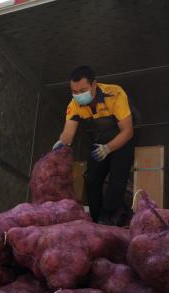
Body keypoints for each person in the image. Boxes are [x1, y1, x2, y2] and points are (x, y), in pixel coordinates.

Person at [53, 66, 136, 225]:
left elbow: (128, 132)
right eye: (74, 92)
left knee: (118, 175)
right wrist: (61, 143)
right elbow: (68, 132)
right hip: (101, 139)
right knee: (91, 178)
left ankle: (110, 215)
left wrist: (108, 148)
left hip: (122, 137)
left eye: (82, 90)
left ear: (94, 84)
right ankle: (96, 219)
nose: (78, 95)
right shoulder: (74, 105)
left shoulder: (115, 93)